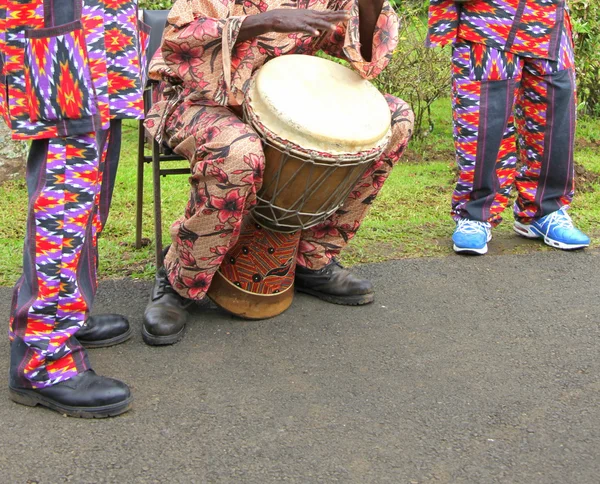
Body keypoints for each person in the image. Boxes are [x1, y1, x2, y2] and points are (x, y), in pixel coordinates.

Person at [142, 0, 415, 345]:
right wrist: (262, 21)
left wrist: (369, 4)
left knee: (396, 120)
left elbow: (363, 53)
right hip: (200, 98)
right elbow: (180, 40)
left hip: (283, 102)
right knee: (238, 151)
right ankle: (180, 280)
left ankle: (313, 258)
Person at [1, 0, 148, 417]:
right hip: (65, 44)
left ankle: (70, 311)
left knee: (87, 204)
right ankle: (42, 360)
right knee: (63, 207)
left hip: (103, 41)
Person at [427, 0, 590, 255]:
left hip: (547, 20)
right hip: (487, 20)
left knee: (555, 118)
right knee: (483, 121)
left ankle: (544, 210)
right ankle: (475, 214)